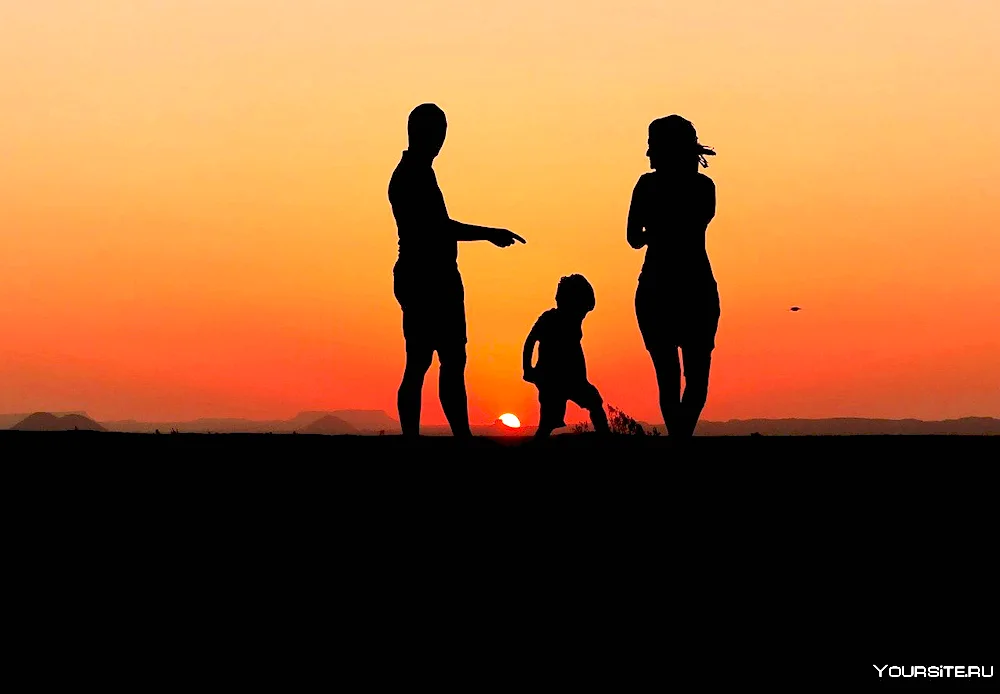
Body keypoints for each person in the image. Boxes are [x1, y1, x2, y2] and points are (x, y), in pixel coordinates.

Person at [389, 103, 525, 437]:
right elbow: (438, 228)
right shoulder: (411, 175)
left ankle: (457, 437)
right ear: (421, 133)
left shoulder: (420, 172)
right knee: (425, 363)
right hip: (426, 280)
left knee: (445, 362)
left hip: (434, 277)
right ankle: (438, 439)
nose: (441, 139)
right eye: (437, 132)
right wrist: (489, 234)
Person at [626, 115, 720, 438]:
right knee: (690, 380)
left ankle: (678, 440)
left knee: (675, 379)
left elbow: (634, 238)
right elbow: (690, 225)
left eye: (652, 147)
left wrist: (655, 231)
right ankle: (681, 441)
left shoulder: (652, 187)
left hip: (662, 290)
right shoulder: (702, 187)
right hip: (691, 290)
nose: (648, 155)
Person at [522, 274, 609, 438]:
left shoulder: (573, 319)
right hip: (552, 380)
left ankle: (606, 437)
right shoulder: (549, 319)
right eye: (582, 311)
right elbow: (530, 341)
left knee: (594, 401)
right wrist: (527, 368)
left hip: (574, 380)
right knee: (548, 421)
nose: (583, 316)